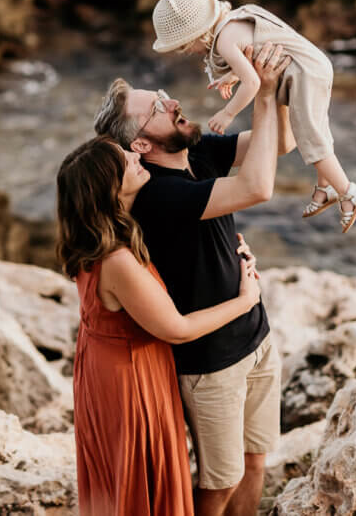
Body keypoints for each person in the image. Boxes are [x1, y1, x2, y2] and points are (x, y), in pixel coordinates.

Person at [93, 43, 290, 516]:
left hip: (255, 336)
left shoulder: (197, 152)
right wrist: (259, 96)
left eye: (161, 93)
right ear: (141, 144)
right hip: (210, 361)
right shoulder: (156, 195)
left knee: (255, 463)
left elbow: (279, 143)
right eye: (156, 107)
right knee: (219, 484)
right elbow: (258, 188)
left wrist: (279, 84)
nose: (170, 100)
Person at [57, 137, 263, 516]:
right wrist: (245, 300)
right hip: (132, 376)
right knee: (144, 481)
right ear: (108, 189)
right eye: (125, 160)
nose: (137, 155)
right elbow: (177, 328)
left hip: (106, 367)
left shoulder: (97, 238)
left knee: (124, 479)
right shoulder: (116, 258)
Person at [151, 0, 356, 233]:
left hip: (304, 76)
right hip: (315, 65)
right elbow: (254, 50)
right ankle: (325, 188)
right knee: (318, 127)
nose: (189, 52)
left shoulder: (224, 41)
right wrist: (232, 76)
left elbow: (253, 82)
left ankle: (348, 191)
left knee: (309, 136)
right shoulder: (237, 18)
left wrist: (228, 113)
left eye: (185, 47)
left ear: (195, 37)